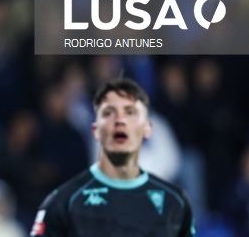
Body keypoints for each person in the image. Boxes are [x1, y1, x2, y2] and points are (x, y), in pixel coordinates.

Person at [29, 78, 195, 237]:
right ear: (95, 130)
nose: (120, 121)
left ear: (147, 129)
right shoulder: (62, 202)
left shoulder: (175, 204)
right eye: (109, 113)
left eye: (130, 112)